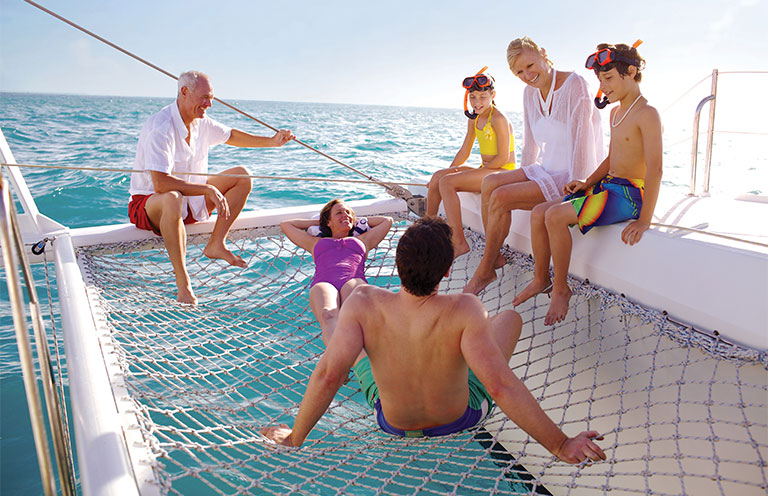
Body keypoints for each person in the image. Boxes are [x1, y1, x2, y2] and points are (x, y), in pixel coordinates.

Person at [262, 217, 606, 465]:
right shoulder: (465, 308)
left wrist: (295, 437)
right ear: (445, 272)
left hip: (391, 421)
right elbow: (500, 386)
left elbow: (328, 376)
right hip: (460, 417)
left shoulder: (364, 302)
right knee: (509, 319)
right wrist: (560, 445)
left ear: (397, 265)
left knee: (350, 335)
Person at [512, 42, 662, 326]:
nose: (603, 87)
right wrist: (587, 182)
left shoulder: (647, 114)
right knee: (539, 212)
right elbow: (611, 157)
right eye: (600, 80)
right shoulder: (617, 113)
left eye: (608, 79)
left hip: (630, 195)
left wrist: (644, 220)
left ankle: (561, 288)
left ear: (631, 72)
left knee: (555, 216)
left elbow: (656, 169)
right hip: (608, 185)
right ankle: (541, 278)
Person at [128, 70, 294, 304]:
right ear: (184, 92)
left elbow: (232, 135)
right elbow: (160, 183)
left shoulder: (201, 122)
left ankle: (216, 243)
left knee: (242, 176)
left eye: (212, 98)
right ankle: (183, 283)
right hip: (152, 205)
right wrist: (207, 189)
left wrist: (272, 142)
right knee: (172, 197)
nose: (209, 104)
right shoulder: (161, 126)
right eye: (205, 97)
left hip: (190, 204)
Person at [464, 37, 603, 295]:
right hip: (544, 169)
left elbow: (583, 141)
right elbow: (530, 146)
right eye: (519, 72)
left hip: (573, 175)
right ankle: (493, 255)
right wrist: (522, 180)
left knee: (502, 196)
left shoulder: (576, 85)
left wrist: (578, 188)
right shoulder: (529, 93)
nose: (527, 75)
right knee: (490, 183)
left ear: (543, 54)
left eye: (530, 65)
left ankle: (485, 270)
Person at [426, 68, 516, 258]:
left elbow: (503, 159)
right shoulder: (474, 119)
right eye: (472, 97)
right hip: (486, 170)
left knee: (447, 183)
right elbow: (465, 151)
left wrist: (466, 175)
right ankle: (427, 231)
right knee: (438, 178)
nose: (477, 103)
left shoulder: (498, 118)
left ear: (493, 95)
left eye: (483, 97)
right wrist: (449, 170)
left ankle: (458, 241)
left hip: (503, 172)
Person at [280, 199, 393, 344]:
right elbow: (286, 225)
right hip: (324, 283)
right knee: (328, 315)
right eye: (339, 213)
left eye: (348, 212)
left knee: (354, 321)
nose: (345, 215)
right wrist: (320, 223)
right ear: (328, 221)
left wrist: (352, 219)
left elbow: (387, 221)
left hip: (353, 280)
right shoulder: (314, 242)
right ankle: (338, 362)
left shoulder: (364, 240)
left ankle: (359, 363)